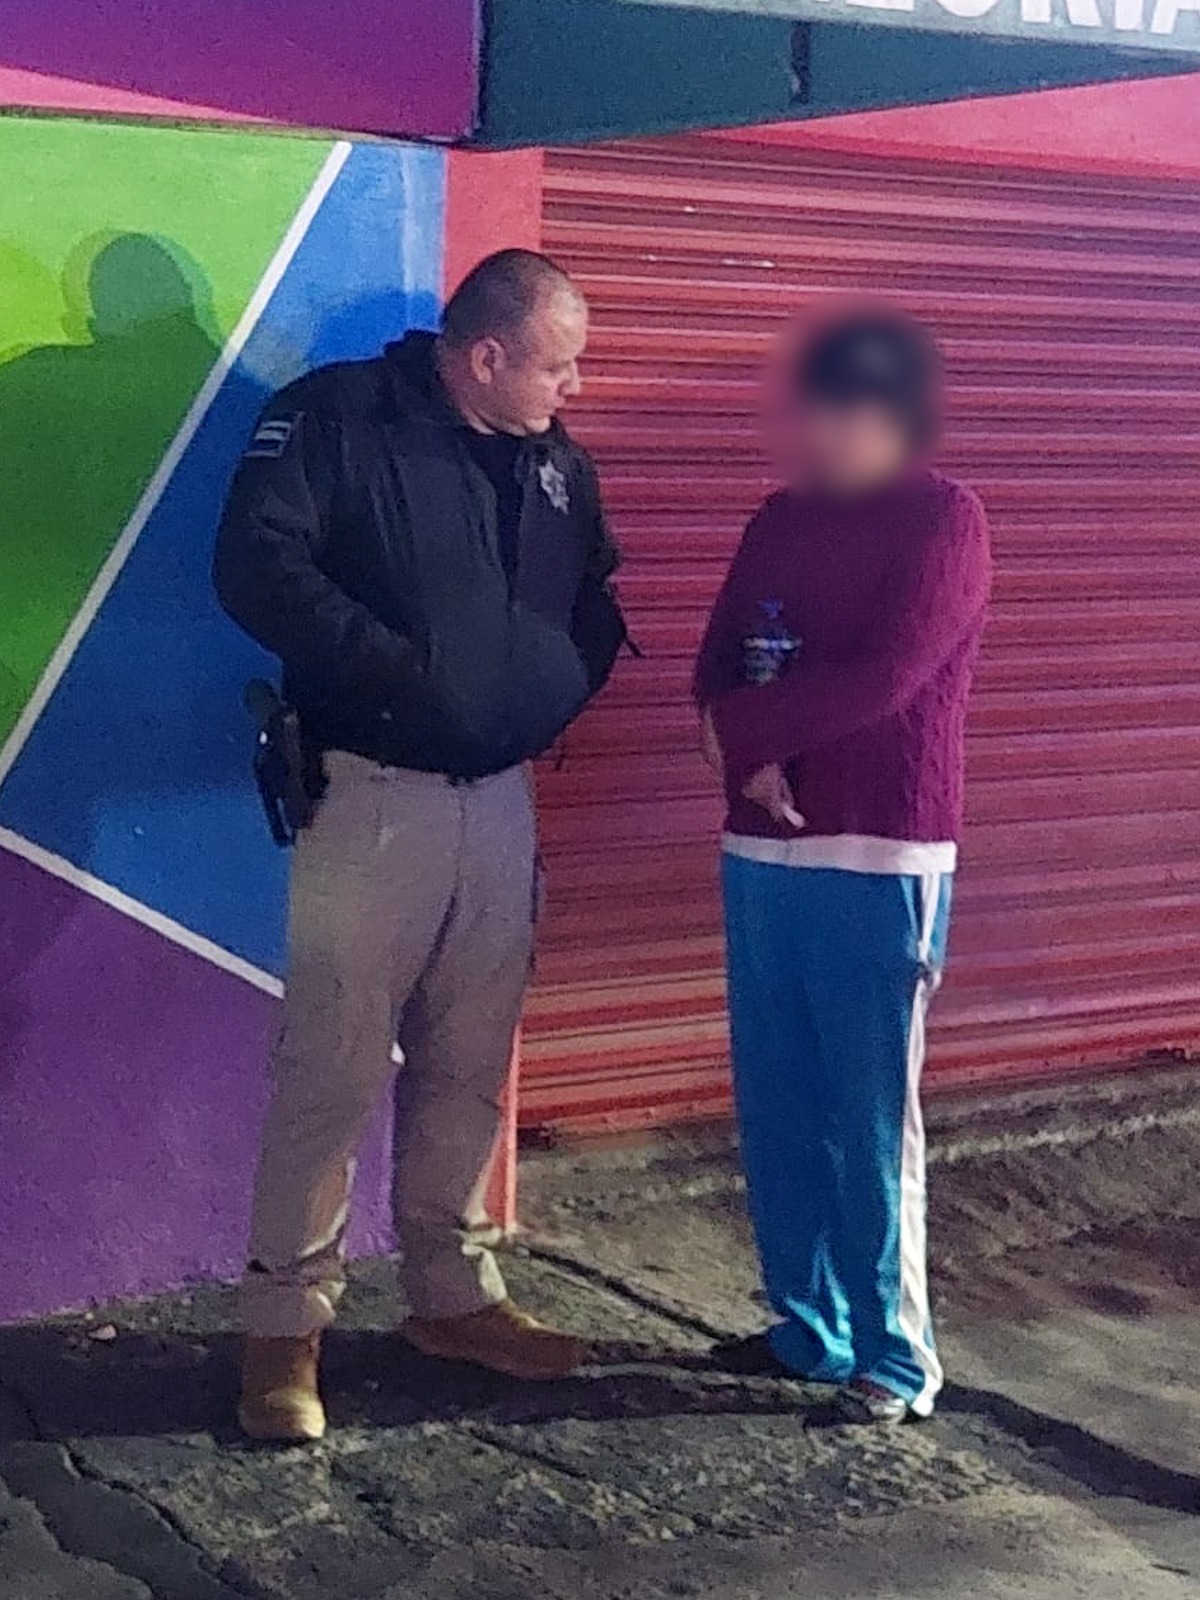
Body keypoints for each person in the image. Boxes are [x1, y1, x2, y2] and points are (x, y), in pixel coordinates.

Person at [214, 249, 627, 1443]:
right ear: (485, 356)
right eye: (557, 365)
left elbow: (594, 598)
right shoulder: (339, 421)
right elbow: (256, 567)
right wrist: (398, 673)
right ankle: (283, 1334)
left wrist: (551, 691)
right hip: (372, 798)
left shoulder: (555, 462)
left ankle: (453, 1297)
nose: (575, 387)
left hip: (500, 806)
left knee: (469, 1062)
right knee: (333, 1068)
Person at [694, 309, 991, 1423]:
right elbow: (720, 659)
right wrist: (745, 751)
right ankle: (807, 1329)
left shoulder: (945, 521)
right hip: (761, 848)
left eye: (838, 414)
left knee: (866, 1117)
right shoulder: (777, 520)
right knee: (777, 1101)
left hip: (879, 856)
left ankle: (895, 1358)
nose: (813, 434)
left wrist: (753, 739)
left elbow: (889, 676)